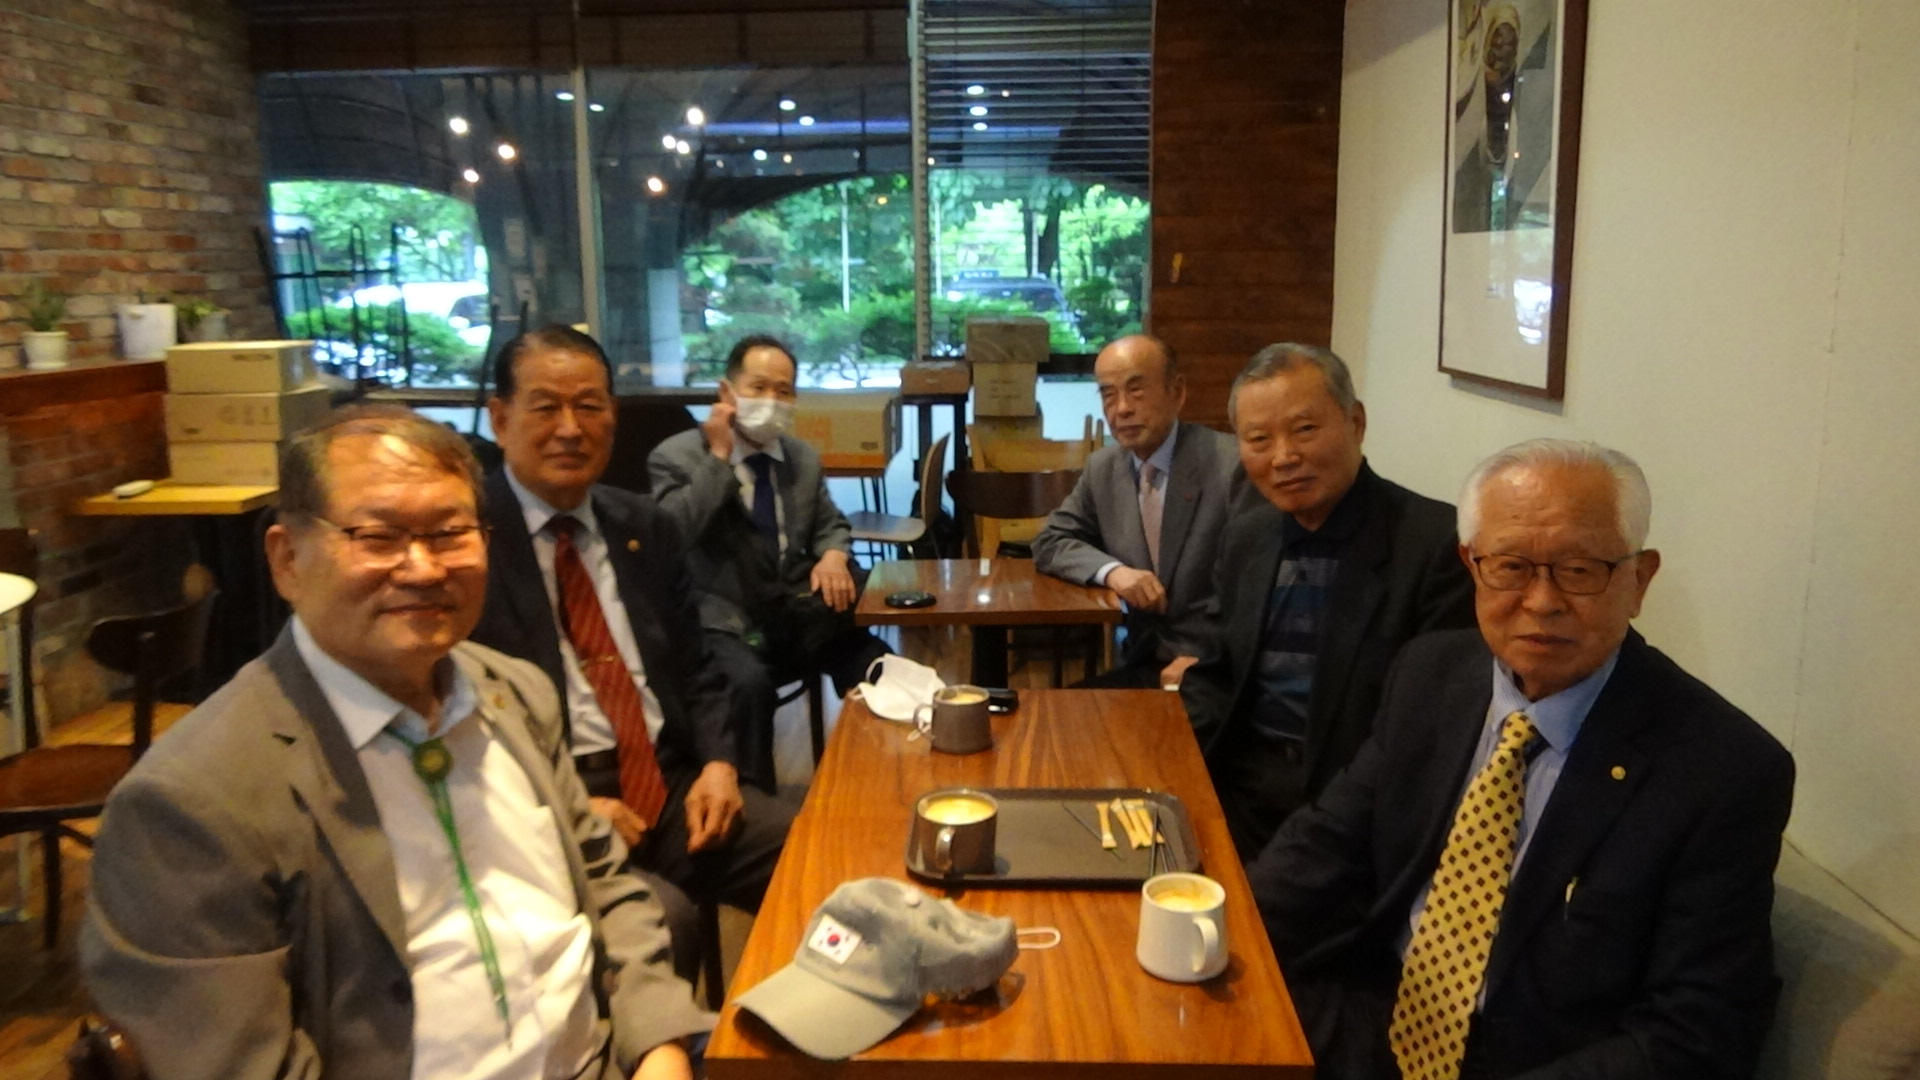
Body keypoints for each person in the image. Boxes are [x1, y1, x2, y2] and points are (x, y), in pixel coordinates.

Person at [81, 405, 709, 1080]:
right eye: (378, 537)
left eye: (450, 533)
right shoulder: (190, 801)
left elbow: (604, 884)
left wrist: (660, 1045)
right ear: (287, 559)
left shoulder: (515, 694)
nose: (423, 568)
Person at [1247, 439, 1795, 1079]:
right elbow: (1326, 845)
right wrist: (1212, 931)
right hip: (1377, 1008)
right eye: (1510, 566)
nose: (1541, 601)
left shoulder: (1723, 770)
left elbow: (1694, 1034)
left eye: (1580, 569)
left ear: (1639, 580)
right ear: (1471, 566)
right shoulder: (1431, 673)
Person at [471, 325, 794, 985]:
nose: (570, 428)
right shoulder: (466, 541)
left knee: (818, 847)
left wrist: (721, 764)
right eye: (546, 407)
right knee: (664, 920)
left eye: (589, 406)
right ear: (500, 420)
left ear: (612, 417)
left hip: (669, 783)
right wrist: (567, 808)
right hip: (551, 802)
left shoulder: (642, 526)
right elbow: (459, 720)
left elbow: (697, 664)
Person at [1180, 343, 1475, 858]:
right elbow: (1214, 674)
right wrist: (1169, 771)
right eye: (1259, 439)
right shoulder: (1248, 535)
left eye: (1304, 429)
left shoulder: (1434, 544)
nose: (1284, 456)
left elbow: (1427, 727)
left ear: (1356, 423)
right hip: (1240, 792)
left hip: (1358, 813)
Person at [647, 333, 890, 767]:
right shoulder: (676, 456)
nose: (771, 401)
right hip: (721, 620)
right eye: (758, 388)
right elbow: (672, 536)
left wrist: (833, 555)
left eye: (783, 391)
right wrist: (718, 458)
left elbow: (830, 524)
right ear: (727, 393)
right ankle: (752, 795)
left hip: (791, 613)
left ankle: (880, 777)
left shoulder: (802, 458)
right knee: (748, 686)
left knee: (878, 663)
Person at [1032, 335, 1238, 689]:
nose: (1122, 409)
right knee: (1055, 711)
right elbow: (1051, 541)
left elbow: (1258, 590)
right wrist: (1113, 572)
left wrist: (1209, 660)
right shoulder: (1104, 468)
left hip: (1216, 669)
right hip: (1141, 659)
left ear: (1177, 392)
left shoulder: (1231, 465)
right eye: (1108, 394)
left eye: (1136, 390)